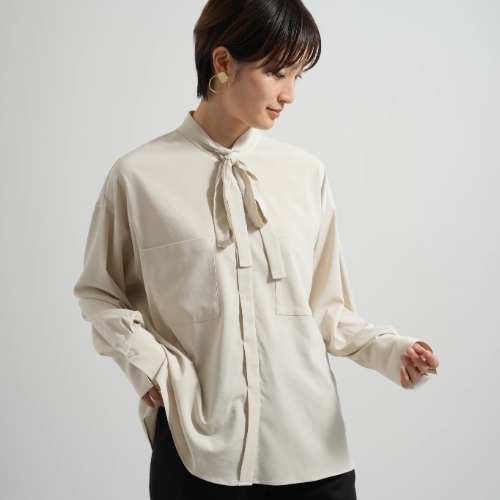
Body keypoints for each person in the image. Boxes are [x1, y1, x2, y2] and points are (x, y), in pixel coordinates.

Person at [73, 0, 440, 498]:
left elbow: (328, 311)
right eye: (276, 73)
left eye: (297, 76)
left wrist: (392, 351)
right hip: (197, 454)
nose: (289, 94)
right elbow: (99, 293)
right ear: (223, 63)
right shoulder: (137, 178)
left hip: (312, 454)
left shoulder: (306, 174)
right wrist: (150, 365)